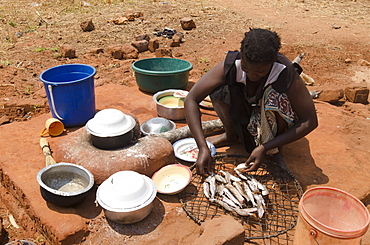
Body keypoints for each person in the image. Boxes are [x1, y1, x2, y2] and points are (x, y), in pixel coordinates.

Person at [184, 28, 318, 176]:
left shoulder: (285, 72)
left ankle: (276, 152)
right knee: (218, 89)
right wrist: (202, 147)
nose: (252, 75)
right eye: (246, 68)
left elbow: (309, 121)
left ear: (273, 62)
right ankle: (231, 135)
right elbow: (191, 99)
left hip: (271, 118)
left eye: (260, 72)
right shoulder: (232, 64)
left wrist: (266, 147)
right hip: (248, 112)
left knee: (277, 97)